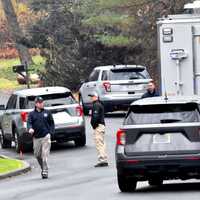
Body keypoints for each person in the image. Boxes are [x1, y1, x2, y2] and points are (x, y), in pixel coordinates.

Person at [27, 96, 55, 179]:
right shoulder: (32, 114)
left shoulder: (47, 112)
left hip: (46, 136)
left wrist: (51, 133)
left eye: (42, 102)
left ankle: (45, 171)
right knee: (37, 154)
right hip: (36, 137)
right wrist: (30, 128)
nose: (42, 104)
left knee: (44, 154)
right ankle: (43, 167)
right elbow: (29, 123)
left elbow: (52, 123)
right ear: (36, 104)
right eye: (40, 103)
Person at [88, 91, 108, 167]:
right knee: (102, 143)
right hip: (101, 126)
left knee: (99, 143)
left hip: (98, 126)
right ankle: (104, 159)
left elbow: (95, 117)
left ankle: (102, 160)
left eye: (92, 96)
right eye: (91, 96)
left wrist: (94, 125)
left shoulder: (96, 105)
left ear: (96, 97)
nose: (91, 98)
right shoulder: (98, 104)